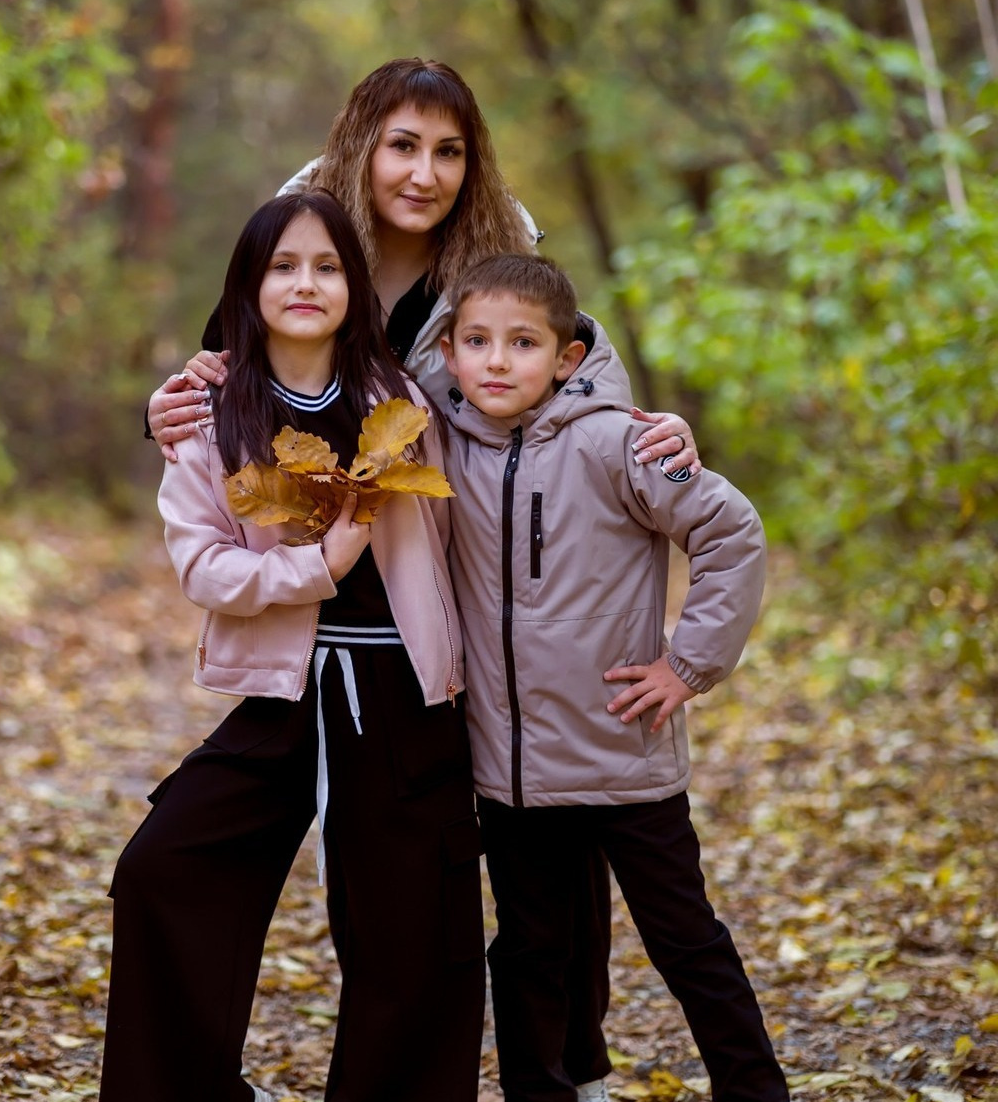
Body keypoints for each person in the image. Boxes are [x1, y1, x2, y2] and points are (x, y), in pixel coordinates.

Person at [146, 57, 702, 1101]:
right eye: (402, 144)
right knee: (234, 867)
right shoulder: (305, 248)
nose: (423, 171)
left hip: (491, 606)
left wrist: (656, 430)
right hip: (332, 629)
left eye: (446, 150)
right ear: (362, 144)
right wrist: (161, 411)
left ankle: (565, 1066)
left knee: (543, 849)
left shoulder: (502, 269)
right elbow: (223, 395)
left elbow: (590, 390)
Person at [100, 190, 484, 1102]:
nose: (305, 282)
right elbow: (204, 568)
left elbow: (534, 384)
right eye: (283, 266)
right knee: (161, 869)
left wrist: (636, 432)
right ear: (248, 285)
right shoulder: (211, 415)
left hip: (402, 693)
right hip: (283, 691)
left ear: (355, 287)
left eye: (326, 266)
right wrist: (316, 565)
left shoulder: (401, 400)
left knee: (414, 940)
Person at [435, 253, 790, 1102]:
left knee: (685, 940)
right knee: (527, 952)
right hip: (513, 775)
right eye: (476, 341)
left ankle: (756, 1090)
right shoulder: (440, 441)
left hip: (625, 755)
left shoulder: (622, 441)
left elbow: (730, 535)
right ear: (447, 353)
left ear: (566, 356)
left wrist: (686, 665)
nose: (495, 360)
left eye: (522, 343)